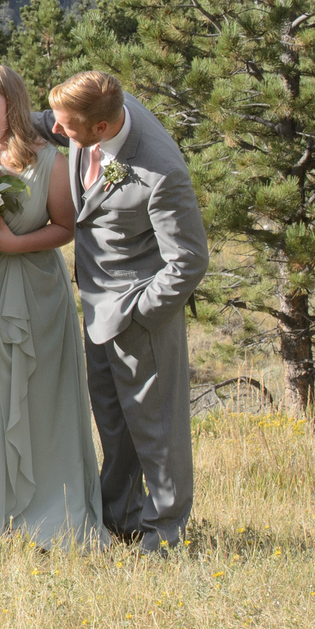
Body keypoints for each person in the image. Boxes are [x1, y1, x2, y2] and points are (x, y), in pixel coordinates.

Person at [0, 66, 104, 545]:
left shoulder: (48, 157)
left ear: (11, 101)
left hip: (35, 293)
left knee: (39, 397)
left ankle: (52, 517)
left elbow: (66, 228)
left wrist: (12, 244)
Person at [48, 71, 207, 551]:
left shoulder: (161, 171)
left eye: (67, 127)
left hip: (140, 318)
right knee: (114, 424)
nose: (58, 132)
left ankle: (165, 534)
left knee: (158, 432)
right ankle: (120, 519)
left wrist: (142, 314)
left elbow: (190, 260)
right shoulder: (99, 107)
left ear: (100, 129)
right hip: (96, 306)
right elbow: (48, 122)